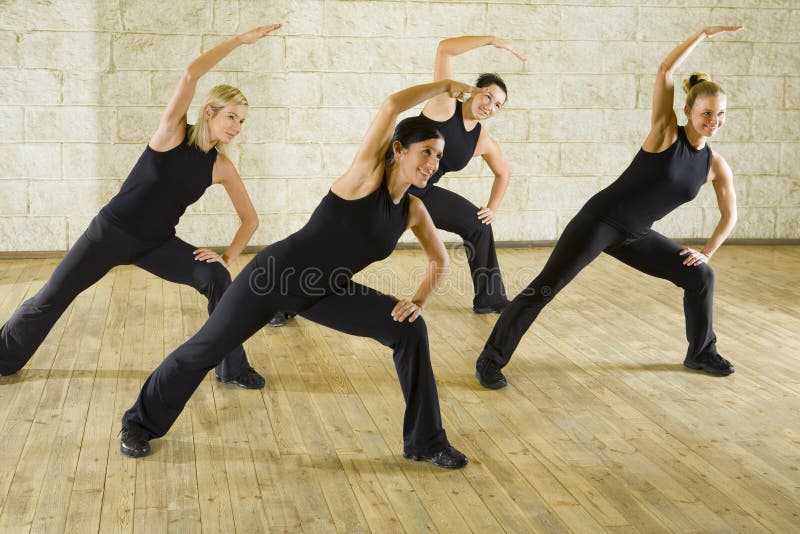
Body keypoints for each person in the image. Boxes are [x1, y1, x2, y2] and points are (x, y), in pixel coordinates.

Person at [118, 79, 478, 469]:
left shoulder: (412, 210)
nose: (432, 163)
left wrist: (418, 300)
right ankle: (139, 423)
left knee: (410, 330)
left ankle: (425, 442)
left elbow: (439, 260)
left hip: (324, 292)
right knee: (205, 350)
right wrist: (442, 86)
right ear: (397, 150)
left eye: (439, 157)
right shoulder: (364, 177)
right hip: (272, 277)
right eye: (426, 151)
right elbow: (391, 105)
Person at [0, 24, 284, 389]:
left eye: (242, 121)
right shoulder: (171, 133)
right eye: (232, 116)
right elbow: (190, 73)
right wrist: (239, 41)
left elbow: (250, 220)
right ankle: (4, 357)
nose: (238, 126)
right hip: (109, 233)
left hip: (156, 244)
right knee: (51, 297)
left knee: (216, 279)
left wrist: (227, 257)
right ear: (210, 112)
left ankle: (232, 367)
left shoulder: (221, 166)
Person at [475, 26, 743, 389]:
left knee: (700, 276)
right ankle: (489, 361)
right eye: (707, 113)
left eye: (721, 115)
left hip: (636, 234)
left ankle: (701, 352)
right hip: (600, 220)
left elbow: (730, 215)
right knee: (544, 289)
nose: (714, 122)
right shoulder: (665, 132)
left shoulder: (715, 165)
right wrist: (703, 34)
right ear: (689, 111)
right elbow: (665, 71)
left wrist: (707, 252)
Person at [267, 35, 524, 328]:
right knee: (340, 244)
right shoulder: (445, 103)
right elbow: (445, 49)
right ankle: (282, 302)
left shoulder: (482, 140)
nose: (490, 106)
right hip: (386, 183)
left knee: (478, 224)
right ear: (474, 92)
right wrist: (492, 41)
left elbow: (504, 172)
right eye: (487, 96)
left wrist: (493, 206)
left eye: (498, 105)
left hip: (421, 193)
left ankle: (490, 298)